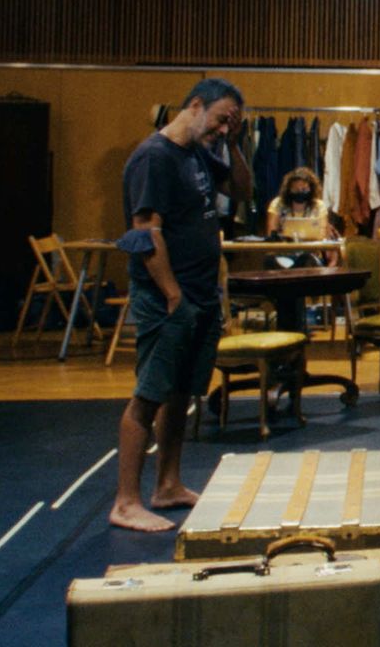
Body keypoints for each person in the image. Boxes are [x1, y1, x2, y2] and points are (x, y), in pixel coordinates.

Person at [110, 77, 250, 532]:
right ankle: (126, 502)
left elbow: (243, 191)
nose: (223, 129)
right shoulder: (154, 157)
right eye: (221, 119)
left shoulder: (199, 154)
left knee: (180, 394)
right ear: (194, 105)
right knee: (149, 395)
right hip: (168, 299)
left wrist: (235, 140)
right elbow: (145, 232)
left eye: (231, 123)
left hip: (201, 295)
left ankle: (167, 485)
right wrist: (173, 295)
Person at [263, 166, 338, 267]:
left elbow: (322, 234)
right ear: (289, 190)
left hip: (311, 255)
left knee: (307, 260)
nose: (300, 192)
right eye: (296, 190)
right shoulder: (278, 204)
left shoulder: (318, 206)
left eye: (304, 189)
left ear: (311, 189)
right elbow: (271, 233)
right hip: (285, 255)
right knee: (271, 261)